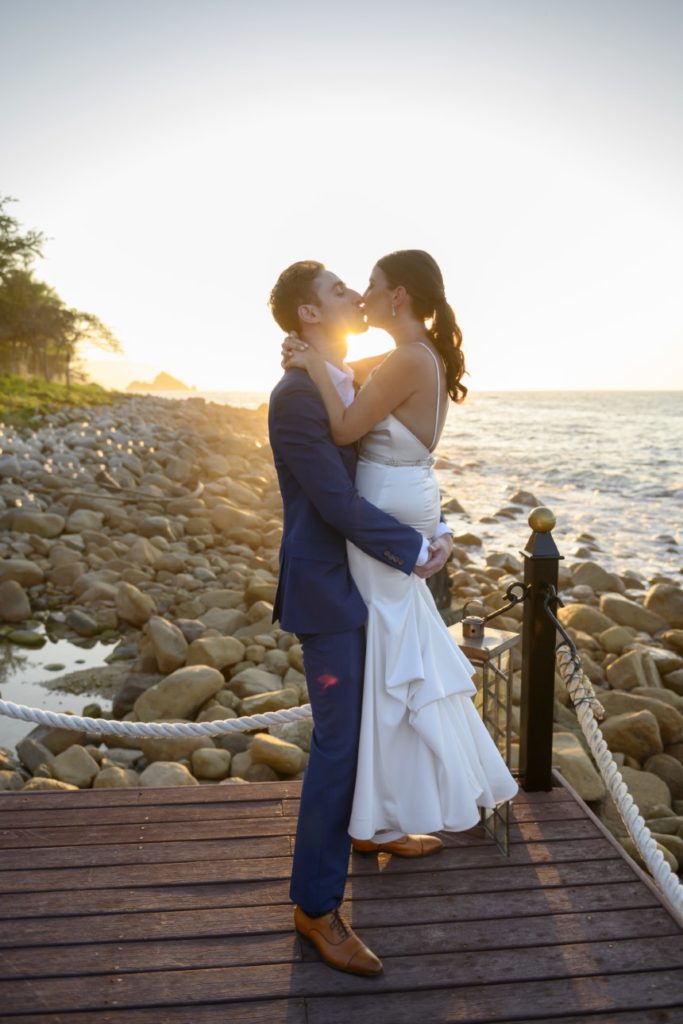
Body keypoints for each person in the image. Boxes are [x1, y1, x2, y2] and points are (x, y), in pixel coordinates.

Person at [283, 249, 518, 848]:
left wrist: (312, 364)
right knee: (393, 662)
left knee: (390, 669)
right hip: (406, 500)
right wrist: (315, 358)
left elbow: (342, 426)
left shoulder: (407, 358)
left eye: (370, 285)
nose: (361, 294)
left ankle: (382, 813)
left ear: (399, 297)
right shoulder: (410, 356)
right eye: (349, 287)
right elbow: (347, 371)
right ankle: (381, 814)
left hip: (388, 510)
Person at [267, 260, 453, 978]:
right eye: (339, 291)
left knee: (380, 715)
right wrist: (412, 548)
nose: (354, 296)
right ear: (309, 315)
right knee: (339, 744)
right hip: (329, 593)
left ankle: (373, 827)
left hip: (365, 583)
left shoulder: (336, 374)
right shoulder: (295, 398)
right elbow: (334, 504)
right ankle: (315, 908)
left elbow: (394, 370)